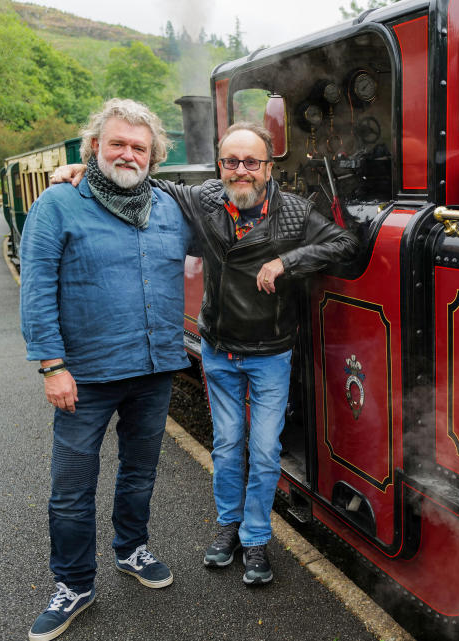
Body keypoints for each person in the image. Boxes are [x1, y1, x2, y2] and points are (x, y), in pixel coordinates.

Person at [55, 122, 359, 586]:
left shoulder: (295, 213)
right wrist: (87, 169)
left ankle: (256, 539)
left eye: (251, 162)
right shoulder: (205, 199)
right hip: (218, 350)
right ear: (220, 167)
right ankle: (228, 527)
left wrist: (287, 262)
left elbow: (344, 242)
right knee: (226, 444)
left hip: (270, 353)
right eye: (231, 162)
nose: (241, 171)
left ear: (268, 167)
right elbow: (144, 179)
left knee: (263, 450)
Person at [20, 99, 192, 641]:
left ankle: (132, 549)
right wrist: (51, 365)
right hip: (85, 375)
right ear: (95, 145)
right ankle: (73, 583)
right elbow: (37, 287)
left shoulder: (170, 207)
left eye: (139, 147)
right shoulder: (58, 204)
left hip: (154, 366)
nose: (127, 153)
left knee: (139, 472)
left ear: (154, 156)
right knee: (71, 487)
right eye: (117, 143)